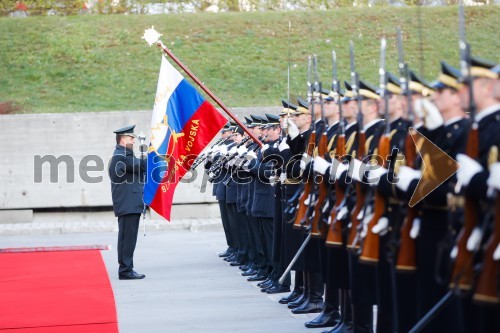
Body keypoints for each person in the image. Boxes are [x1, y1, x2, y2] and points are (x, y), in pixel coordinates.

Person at [109, 125, 147, 280]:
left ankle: (126, 268)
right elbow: (143, 166)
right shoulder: (122, 156)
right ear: (123, 139)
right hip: (128, 204)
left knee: (128, 238)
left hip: (129, 203)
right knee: (127, 238)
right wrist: (145, 150)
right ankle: (125, 270)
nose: (134, 140)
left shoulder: (124, 154)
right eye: (131, 138)